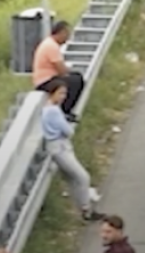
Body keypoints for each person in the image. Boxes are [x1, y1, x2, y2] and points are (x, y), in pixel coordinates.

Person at [42, 80, 104, 222]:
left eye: (64, 93)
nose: (63, 97)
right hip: (60, 147)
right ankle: (86, 210)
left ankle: (83, 210)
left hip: (56, 146)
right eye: (60, 93)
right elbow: (68, 131)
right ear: (52, 93)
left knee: (72, 178)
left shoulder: (47, 108)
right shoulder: (53, 111)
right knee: (82, 176)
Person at [33, 21, 83, 121]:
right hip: (45, 81)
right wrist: (68, 70)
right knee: (75, 81)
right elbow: (61, 70)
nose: (67, 39)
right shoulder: (51, 46)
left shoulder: (48, 43)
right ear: (61, 33)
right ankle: (64, 110)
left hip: (47, 78)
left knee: (74, 77)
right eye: (67, 35)